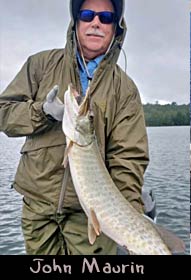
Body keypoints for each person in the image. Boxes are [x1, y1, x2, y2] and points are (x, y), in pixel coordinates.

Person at [0, 0, 149, 255]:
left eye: (106, 18)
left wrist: (130, 217)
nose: (96, 23)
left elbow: (128, 159)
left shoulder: (125, 90)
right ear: (76, 21)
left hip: (91, 216)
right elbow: (4, 113)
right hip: (38, 208)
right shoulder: (41, 64)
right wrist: (41, 112)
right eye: (88, 14)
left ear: (116, 28)